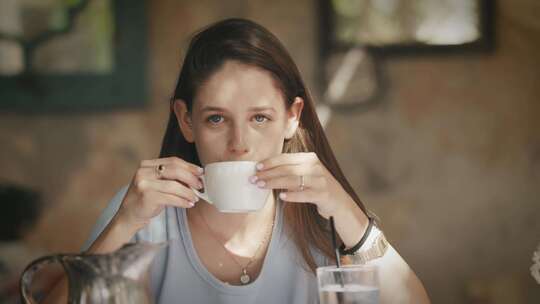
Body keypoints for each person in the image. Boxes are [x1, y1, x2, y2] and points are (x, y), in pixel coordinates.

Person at [46, 18, 430, 303]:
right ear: (186, 120)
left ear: (292, 117)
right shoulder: (147, 213)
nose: (239, 144)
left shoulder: (325, 219)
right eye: (216, 119)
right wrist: (124, 223)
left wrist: (346, 209)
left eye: (259, 118)